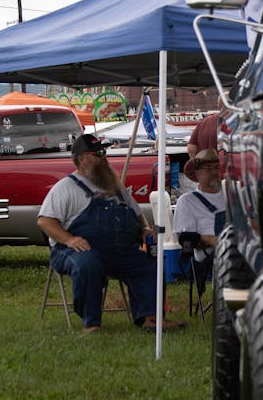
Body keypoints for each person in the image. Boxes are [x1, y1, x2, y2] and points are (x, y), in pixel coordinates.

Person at [37, 134, 185, 333]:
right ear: (82, 159)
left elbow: (136, 213)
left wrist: (144, 229)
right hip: (75, 251)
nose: (103, 157)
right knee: (88, 264)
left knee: (152, 265)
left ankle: (151, 318)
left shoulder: (115, 187)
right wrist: (70, 239)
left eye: (104, 152)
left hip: (119, 252)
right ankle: (91, 323)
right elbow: (45, 221)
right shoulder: (65, 188)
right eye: (98, 153)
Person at [172, 148, 225, 294]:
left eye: (217, 167)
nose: (214, 172)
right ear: (197, 173)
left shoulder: (231, 192)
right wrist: (209, 239)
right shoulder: (187, 201)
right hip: (210, 255)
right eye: (208, 168)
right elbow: (185, 239)